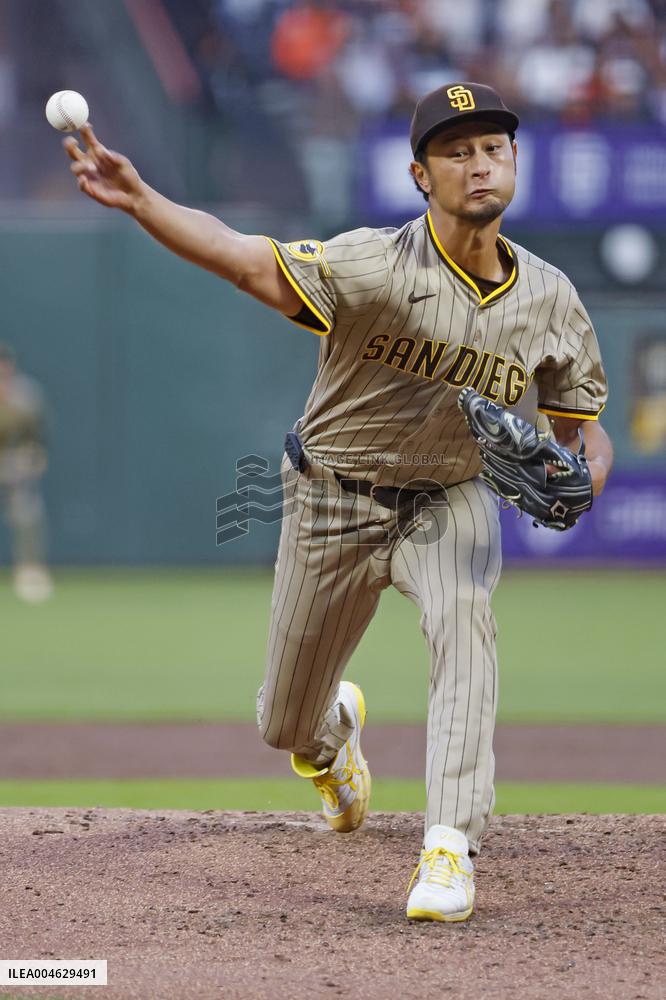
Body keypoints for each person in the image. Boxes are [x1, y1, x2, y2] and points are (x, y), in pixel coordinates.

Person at [63, 81, 613, 922]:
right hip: (332, 498)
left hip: (449, 496)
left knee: (464, 615)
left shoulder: (551, 299)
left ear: (514, 160)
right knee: (284, 723)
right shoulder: (375, 264)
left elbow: (583, 437)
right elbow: (245, 258)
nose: (479, 164)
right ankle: (332, 747)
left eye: (493, 148)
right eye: (456, 152)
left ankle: (449, 847)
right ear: (420, 175)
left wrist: (584, 476)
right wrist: (142, 200)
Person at [0, 343, 52, 603]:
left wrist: (33, 459)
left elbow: (36, 438)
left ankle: (30, 571)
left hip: (13, 460)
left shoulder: (26, 395)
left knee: (27, 509)